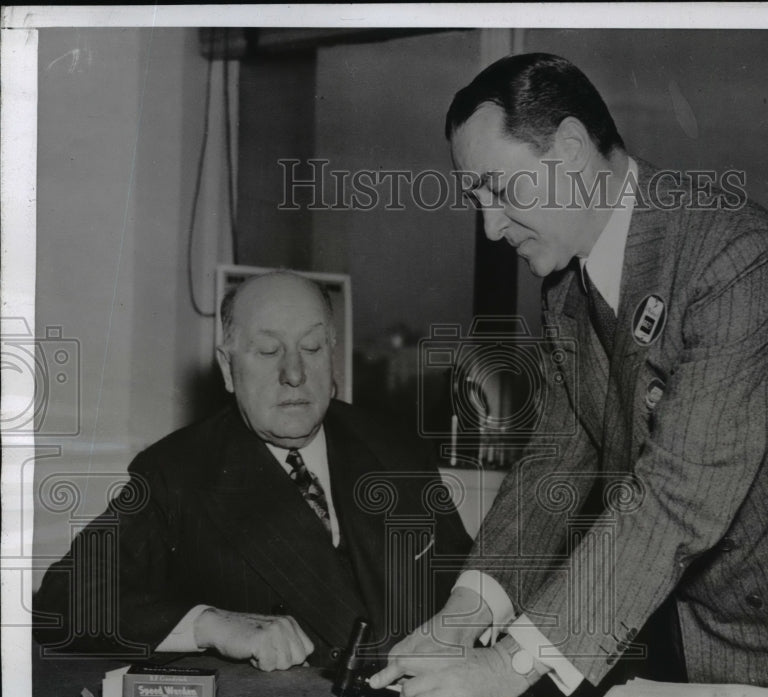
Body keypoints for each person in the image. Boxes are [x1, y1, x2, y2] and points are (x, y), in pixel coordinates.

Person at [370, 53, 768, 697]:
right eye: (475, 200)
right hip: (725, 647)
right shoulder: (567, 291)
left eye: (499, 190)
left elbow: (676, 497)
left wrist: (508, 665)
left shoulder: (735, 257)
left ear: (569, 149)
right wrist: (463, 619)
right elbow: (553, 465)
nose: (489, 226)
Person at [34, 271, 472, 670]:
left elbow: (470, 583)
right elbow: (62, 600)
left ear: (333, 355)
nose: (295, 374)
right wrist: (211, 625)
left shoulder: (395, 448)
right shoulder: (177, 474)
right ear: (228, 367)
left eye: (313, 347)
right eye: (267, 351)